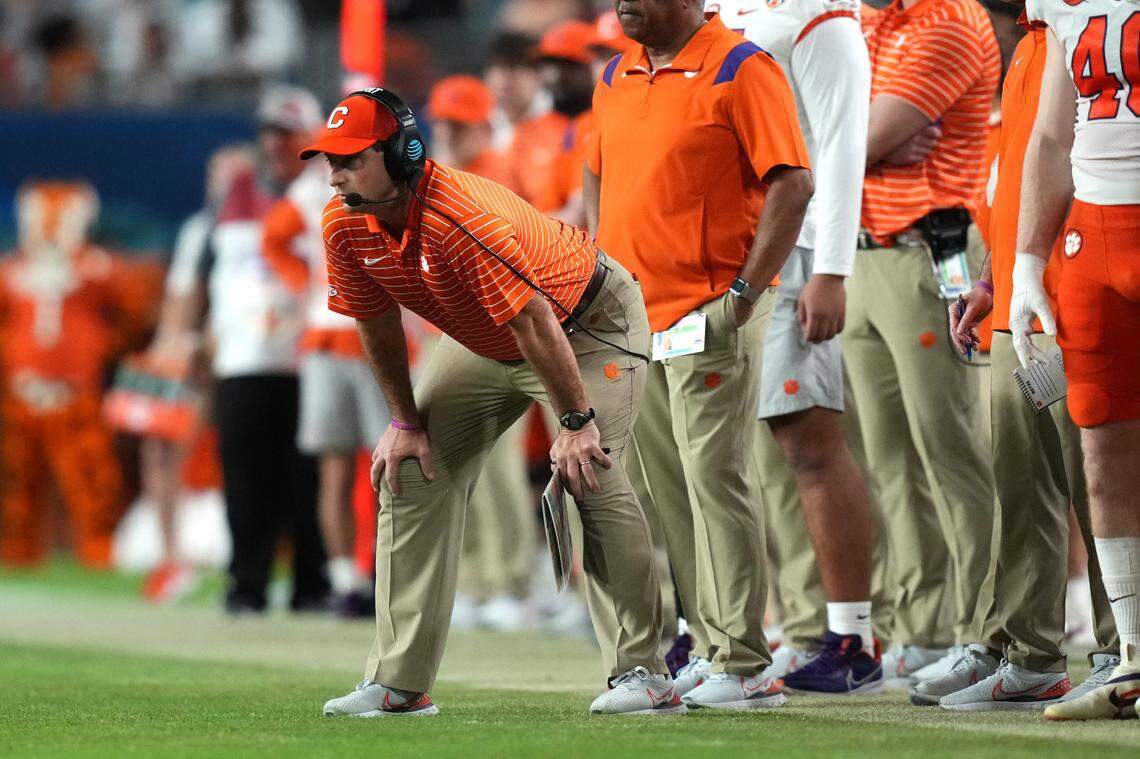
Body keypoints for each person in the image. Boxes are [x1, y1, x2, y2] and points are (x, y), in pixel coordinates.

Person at [309, 87, 676, 717]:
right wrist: (405, 421)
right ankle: (399, 682)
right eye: (329, 159)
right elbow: (374, 321)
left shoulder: (458, 215)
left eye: (352, 158)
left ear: (403, 152)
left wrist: (576, 423)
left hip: (586, 324)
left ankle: (645, 672)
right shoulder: (342, 222)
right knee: (408, 471)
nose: (336, 172)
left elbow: (536, 322)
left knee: (590, 470)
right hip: (483, 332)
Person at [585, 0, 814, 710]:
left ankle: (746, 661)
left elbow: (793, 180)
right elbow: (601, 178)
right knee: (669, 489)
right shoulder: (616, 74)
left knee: (715, 475)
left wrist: (743, 295)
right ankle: (711, 643)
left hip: (709, 306)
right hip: (633, 316)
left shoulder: (743, 67)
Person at [918, 6, 1120, 710]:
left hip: (1082, 293)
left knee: (1101, 483)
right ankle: (1029, 652)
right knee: (1021, 483)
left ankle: (1119, 649)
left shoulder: (1087, 31)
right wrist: (991, 280)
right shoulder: (1031, 50)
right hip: (1021, 304)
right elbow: (1017, 185)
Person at [703, 0, 880, 695]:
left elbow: (838, 144)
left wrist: (833, 269)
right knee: (730, 453)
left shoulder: (820, 13)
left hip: (793, 253)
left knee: (810, 442)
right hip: (719, 257)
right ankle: (769, 625)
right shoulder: (715, 8)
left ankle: (852, 636)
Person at [850, 0, 1000, 685]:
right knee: (888, 457)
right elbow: (805, 133)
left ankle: (985, 627)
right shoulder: (867, 19)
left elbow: (852, 139)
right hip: (861, 254)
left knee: (950, 448)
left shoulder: (947, 20)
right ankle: (924, 624)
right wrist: (848, 135)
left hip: (930, 255)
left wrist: (849, 136)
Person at [1008, 0, 1140, 722]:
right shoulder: (1060, 6)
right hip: (1093, 233)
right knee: (1101, 445)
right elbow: (1053, 135)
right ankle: (1134, 658)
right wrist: (1028, 260)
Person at [181, 85, 328, 613]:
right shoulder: (233, 195)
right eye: (269, 133)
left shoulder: (329, 190)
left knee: (305, 478)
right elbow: (208, 275)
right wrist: (197, 337)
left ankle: (313, 583)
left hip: (306, 354)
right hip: (241, 357)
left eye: (287, 134)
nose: (275, 144)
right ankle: (247, 583)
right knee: (244, 478)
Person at [424, 74, 538, 631]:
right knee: (456, 461)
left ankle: (512, 582)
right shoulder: (444, 177)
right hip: (454, 330)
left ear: (479, 124)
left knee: (498, 463)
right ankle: (473, 579)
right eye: (441, 122)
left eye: (455, 123)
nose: (444, 132)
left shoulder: (498, 171)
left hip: (500, 329)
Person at [262, 136, 389, 619]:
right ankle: (345, 579)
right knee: (337, 469)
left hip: (380, 335)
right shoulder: (314, 189)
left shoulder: (390, 181)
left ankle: (385, 575)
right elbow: (272, 237)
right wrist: (307, 286)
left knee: (390, 468)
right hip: (327, 333)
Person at [0, 180, 158, 568]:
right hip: (22, 392)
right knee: (15, 485)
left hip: (78, 391)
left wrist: (100, 347)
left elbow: (135, 315)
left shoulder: (99, 269)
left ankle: (98, 551)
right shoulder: (11, 271)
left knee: (93, 484)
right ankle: (16, 554)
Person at [483, 31, 548, 152]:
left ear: (538, 74)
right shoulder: (481, 123)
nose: (504, 78)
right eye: (498, 68)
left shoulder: (555, 113)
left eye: (513, 67)